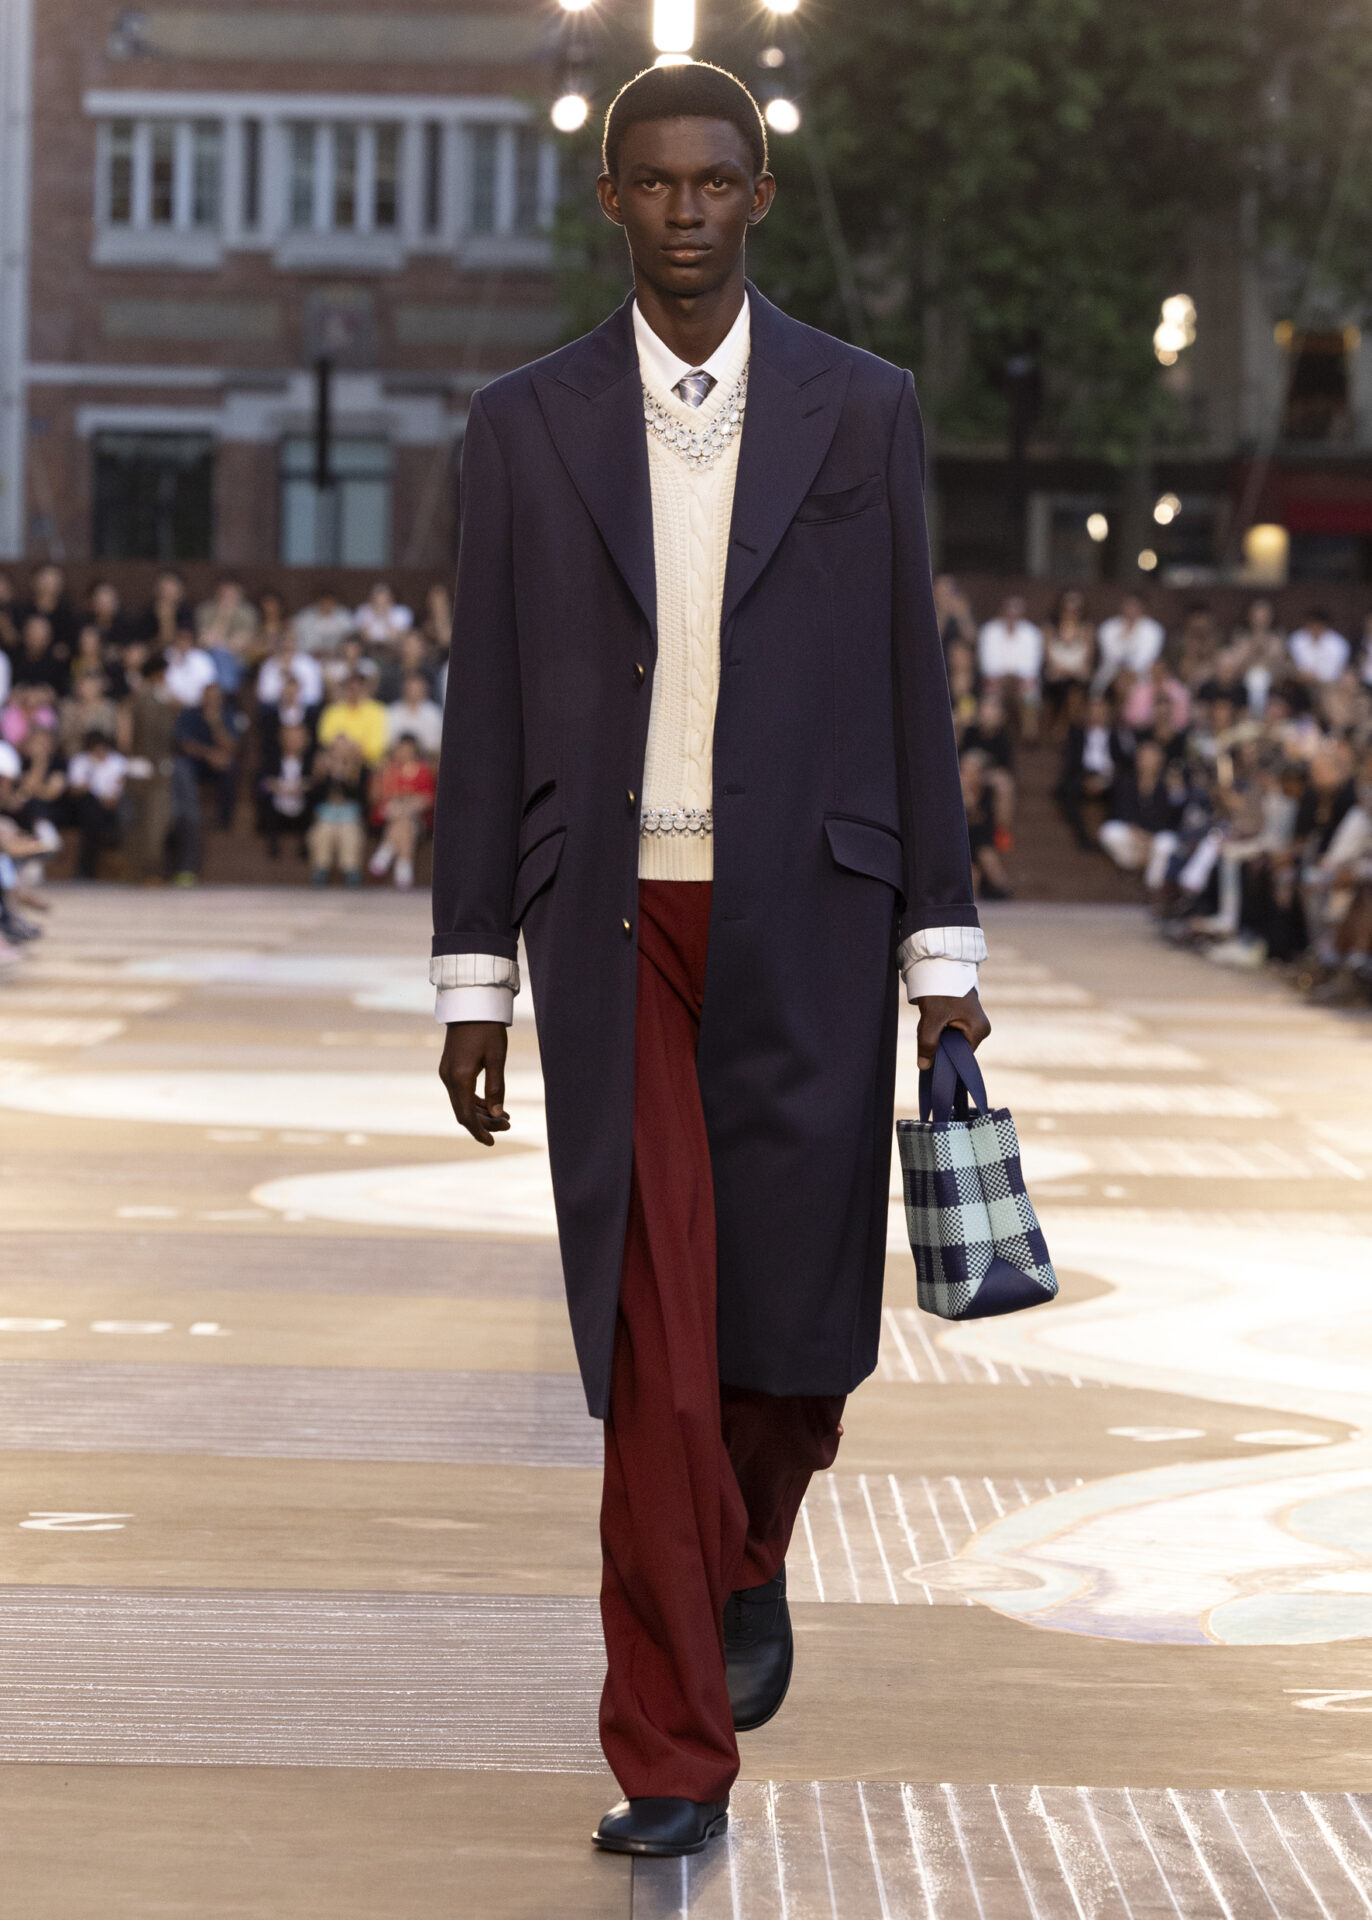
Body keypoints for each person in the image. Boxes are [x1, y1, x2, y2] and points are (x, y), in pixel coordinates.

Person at [430, 61, 989, 1861]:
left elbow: (906, 684)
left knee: (791, 1341)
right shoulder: (522, 425)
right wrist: (472, 976)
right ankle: (670, 1746)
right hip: (609, 925)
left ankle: (747, 1550)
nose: (684, 211)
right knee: (653, 1339)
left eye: (714, 181)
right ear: (611, 199)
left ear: (758, 193)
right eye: (654, 183)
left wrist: (941, 951)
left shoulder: (864, 407)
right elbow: (486, 700)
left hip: (811, 912)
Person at [122, 651, 178, 882]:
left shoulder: (142, 696)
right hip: (147, 768)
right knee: (152, 820)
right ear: (159, 673)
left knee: (150, 820)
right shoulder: (148, 697)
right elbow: (130, 737)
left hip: (148, 766)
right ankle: (146, 871)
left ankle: (142, 870)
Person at [368, 733, 435, 889]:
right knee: (402, 822)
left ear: (414, 751)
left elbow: (429, 798)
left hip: (417, 820)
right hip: (389, 817)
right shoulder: (388, 770)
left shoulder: (423, 770)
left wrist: (409, 805)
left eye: (407, 750)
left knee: (404, 822)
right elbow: (379, 797)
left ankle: (385, 853)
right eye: (401, 749)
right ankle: (403, 872)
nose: (403, 753)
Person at [976, 592, 1043, 742]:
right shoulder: (989, 631)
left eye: (1016, 612)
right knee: (990, 700)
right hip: (996, 682)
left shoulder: (1032, 633)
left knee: (1030, 697)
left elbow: (1032, 666)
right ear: (1002, 611)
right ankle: (992, 737)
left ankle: (1029, 738)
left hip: (1022, 682)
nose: (1012, 616)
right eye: (1009, 611)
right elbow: (988, 665)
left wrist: (1014, 677)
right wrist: (1006, 677)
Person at [66, 729, 129, 879]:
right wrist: (91, 773)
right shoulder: (81, 761)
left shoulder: (118, 761)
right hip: (86, 809)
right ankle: (87, 870)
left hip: (114, 805)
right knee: (91, 808)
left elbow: (120, 788)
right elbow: (74, 791)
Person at [306, 734, 367, 886]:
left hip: (350, 817)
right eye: (336, 748)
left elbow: (361, 797)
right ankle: (320, 869)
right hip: (326, 816)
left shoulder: (360, 769)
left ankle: (351, 870)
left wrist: (346, 775)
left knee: (349, 833)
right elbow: (315, 797)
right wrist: (326, 774)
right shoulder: (321, 770)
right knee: (323, 832)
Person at [1093, 592, 1164, 693]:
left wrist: (1131, 672)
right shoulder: (1108, 627)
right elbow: (1110, 655)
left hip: (1142, 674)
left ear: (1142, 607)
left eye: (1135, 605)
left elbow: (1147, 657)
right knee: (1101, 688)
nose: (1131, 609)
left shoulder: (1153, 629)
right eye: (1128, 605)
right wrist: (1124, 636)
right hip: (1112, 672)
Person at [318, 671, 389, 767]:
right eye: (351, 688)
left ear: (366, 689)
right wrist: (347, 747)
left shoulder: (377, 711)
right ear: (345, 689)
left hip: (366, 763)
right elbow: (325, 738)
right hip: (337, 759)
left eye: (359, 688)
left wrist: (354, 749)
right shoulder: (333, 711)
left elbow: (376, 745)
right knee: (322, 760)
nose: (355, 692)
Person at [386, 670, 444, 760]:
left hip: (426, 759)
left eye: (417, 689)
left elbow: (436, 745)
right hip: (397, 759)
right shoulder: (392, 711)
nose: (413, 692)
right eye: (411, 688)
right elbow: (389, 743)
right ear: (404, 689)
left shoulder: (434, 714)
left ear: (425, 690)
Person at [1287, 608, 1351, 686]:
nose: (1314, 629)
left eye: (1318, 626)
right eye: (1311, 626)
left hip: (1329, 685)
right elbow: (1294, 666)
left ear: (1325, 626)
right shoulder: (1296, 638)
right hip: (1299, 684)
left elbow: (1334, 674)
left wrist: (1313, 678)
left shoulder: (1339, 644)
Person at [293, 587, 355, 657]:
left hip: (339, 657)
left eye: (329, 603)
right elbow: (297, 639)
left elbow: (351, 639)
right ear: (317, 603)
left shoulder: (344, 616)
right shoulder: (305, 618)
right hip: (310, 657)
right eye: (323, 603)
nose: (326, 606)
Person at [353, 582, 413, 649]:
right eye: (376, 600)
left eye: (385, 600)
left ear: (391, 599)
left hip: (393, 648)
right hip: (369, 648)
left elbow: (396, 638)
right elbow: (364, 637)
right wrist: (374, 616)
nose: (380, 604)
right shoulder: (363, 610)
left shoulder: (402, 612)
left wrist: (385, 616)